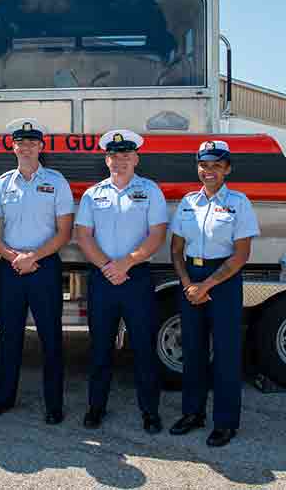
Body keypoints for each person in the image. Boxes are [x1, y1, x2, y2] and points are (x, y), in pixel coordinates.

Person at [75, 129, 167, 433]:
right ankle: (95, 407)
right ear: (107, 159)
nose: (120, 161)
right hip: (103, 278)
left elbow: (157, 234)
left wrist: (126, 263)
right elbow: (83, 236)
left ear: (136, 158)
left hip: (136, 276)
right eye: (115, 156)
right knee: (100, 348)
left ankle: (150, 412)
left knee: (143, 347)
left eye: (126, 155)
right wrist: (107, 266)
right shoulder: (93, 194)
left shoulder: (150, 190)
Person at [168, 140, 259, 447]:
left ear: (227, 169)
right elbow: (176, 249)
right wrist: (186, 284)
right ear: (198, 167)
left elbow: (241, 255)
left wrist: (205, 286)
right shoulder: (187, 202)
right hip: (190, 278)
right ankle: (192, 414)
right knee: (192, 351)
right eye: (204, 165)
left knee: (225, 354)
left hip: (224, 280)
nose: (209, 171)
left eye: (216, 165)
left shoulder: (240, 203)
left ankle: (225, 422)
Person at [0, 119, 74, 425]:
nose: (26, 148)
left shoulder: (57, 181)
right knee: (9, 337)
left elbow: (65, 231)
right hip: (11, 268)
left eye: (32, 143)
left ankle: (54, 404)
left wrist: (33, 257)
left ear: (41, 147)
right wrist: (14, 257)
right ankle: (3, 398)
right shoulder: (2, 183)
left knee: (51, 338)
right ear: (13, 147)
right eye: (21, 143)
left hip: (45, 266)